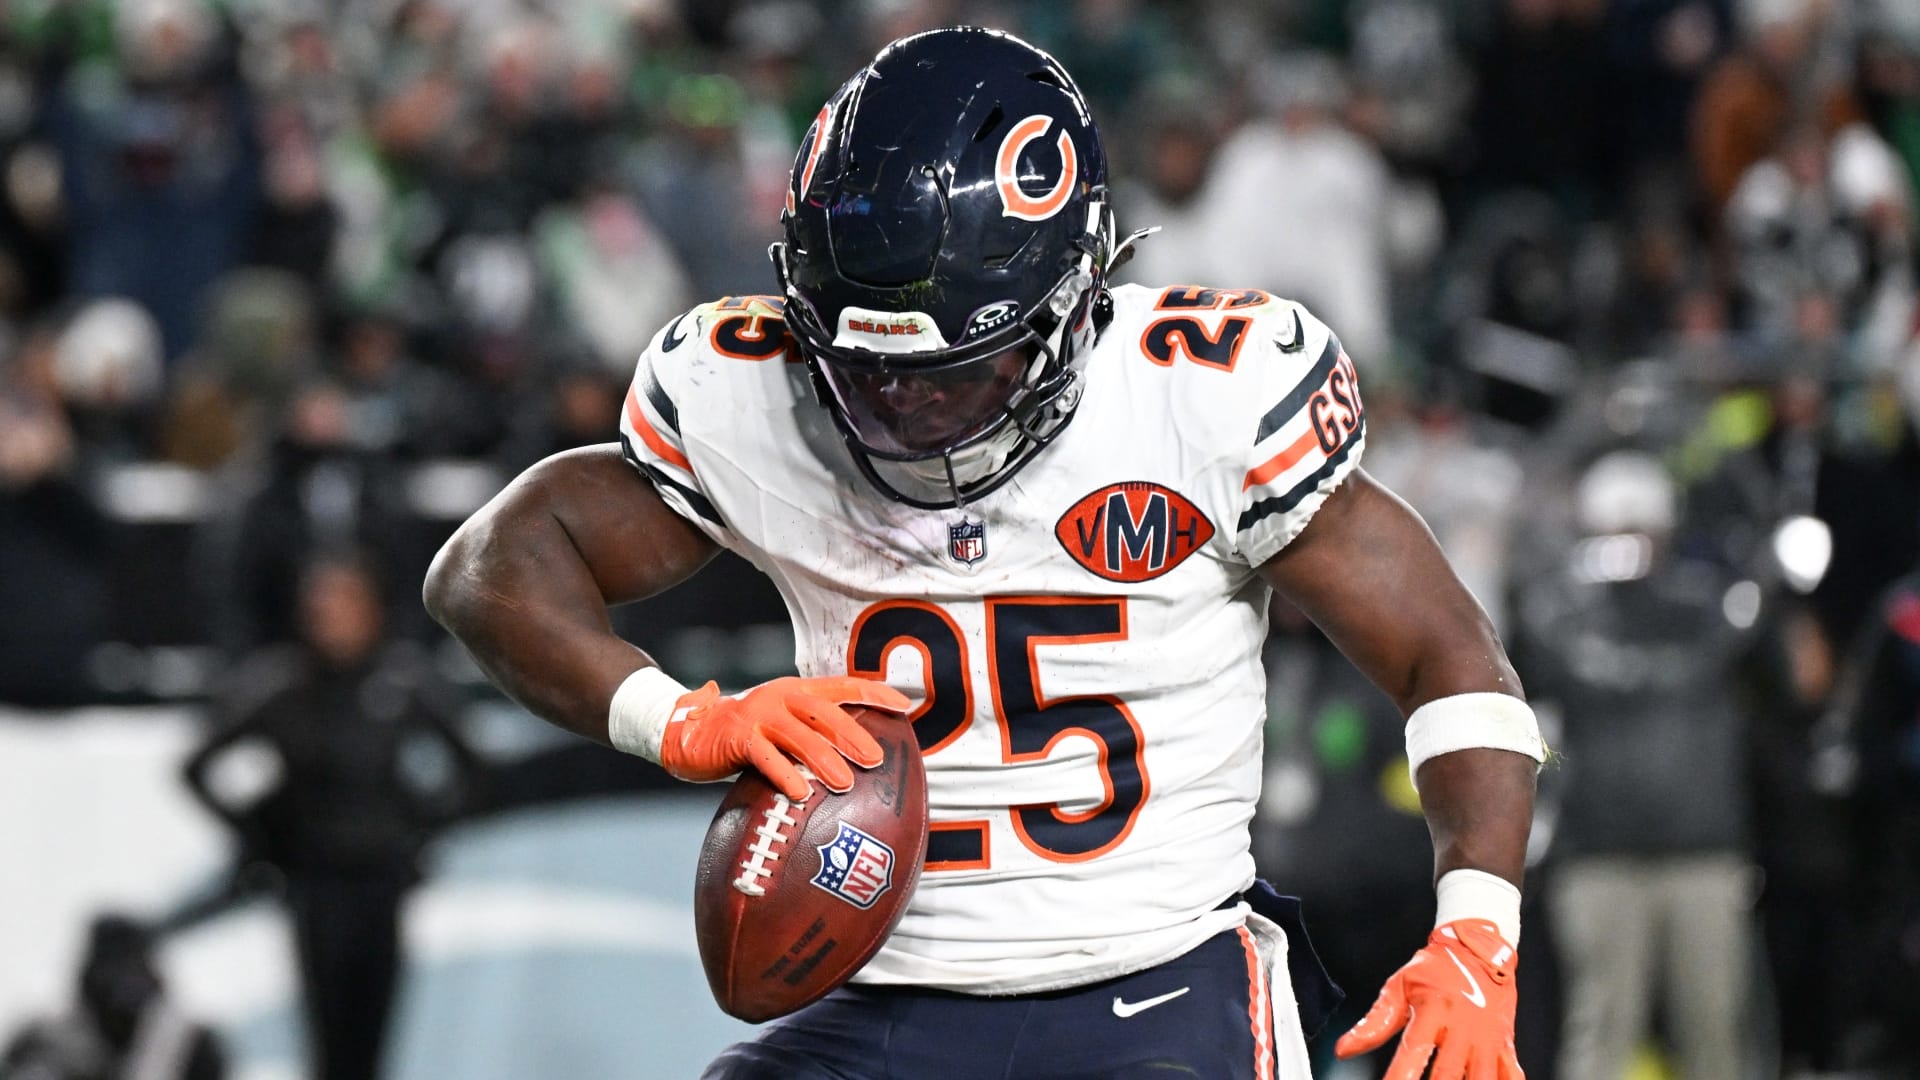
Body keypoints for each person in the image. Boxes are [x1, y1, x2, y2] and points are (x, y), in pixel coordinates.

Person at [425, 28, 1543, 1080]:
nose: (903, 409)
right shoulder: (748, 393)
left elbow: (1450, 657)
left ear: (1073, 304)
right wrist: (677, 720)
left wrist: (1479, 934)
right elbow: (489, 568)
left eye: (957, 373)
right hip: (875, 988)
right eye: (862, 370)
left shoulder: (1202, 398)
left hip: (1157, 978)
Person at [184, 553, 479, 1080]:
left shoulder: (401, 681)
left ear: (372, 609)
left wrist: (417, 828)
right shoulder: (283, 685)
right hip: (314, 882)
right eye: (320, 606)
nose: (331, 618)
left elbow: (471, 767)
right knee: (326, 1033)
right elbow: (199, 766)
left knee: (373, 1032)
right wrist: (260, 833)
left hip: (380, 883)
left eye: (344, 604)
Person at [0, 915, 226, 1080]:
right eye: (111, 974)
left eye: (132, 971)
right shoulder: (44, 1042)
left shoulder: (189, 1045)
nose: (123, 989)